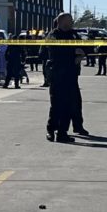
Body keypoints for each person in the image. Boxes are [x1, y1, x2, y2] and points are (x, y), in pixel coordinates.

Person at [44, 14, 85, 143]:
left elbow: (85, 46)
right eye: (69, 20)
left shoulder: (73, 34)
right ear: (62, 22)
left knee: (69, 104)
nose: (72, 22)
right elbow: (56, 51)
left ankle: (62, 132)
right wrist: (74, 53)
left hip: (71, 74)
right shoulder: (53, 35)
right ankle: (51, 130)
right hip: (57, 74)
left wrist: (81, 53)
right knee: (56, 104)